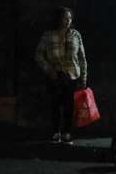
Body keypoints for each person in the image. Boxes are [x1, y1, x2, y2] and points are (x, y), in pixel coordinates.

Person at [35, 7, 88, 143]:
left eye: (69, 18)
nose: (67, 21)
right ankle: (56, 132)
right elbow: (39, 55)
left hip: (72, 75)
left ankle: (67, 132)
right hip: (55, 75)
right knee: (55, 104)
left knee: (69, 105)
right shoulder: (48, 35)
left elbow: (82, 58)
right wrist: (49, 69)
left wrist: (83, 77)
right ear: (58, 18)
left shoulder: (76, 35)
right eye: (65, 17)